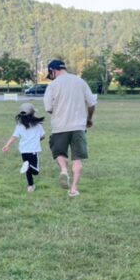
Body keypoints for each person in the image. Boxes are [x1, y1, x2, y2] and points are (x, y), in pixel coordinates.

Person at [43, 59, 96, 197]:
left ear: (53, 71)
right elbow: (91, 103)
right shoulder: (80, 82)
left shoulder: (53, 85)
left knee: (59, 153)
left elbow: (48, 108)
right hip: (78, 126)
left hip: (59, 126)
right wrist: (89, 118)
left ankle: (64, 170)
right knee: (77, 158)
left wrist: (60, 111)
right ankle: (73, 189)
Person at [1, 101, 45, 193]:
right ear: (33, 113)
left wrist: (7, 145)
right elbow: (43, 136)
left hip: (23, 151)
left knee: (27, 170)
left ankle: (30, 185)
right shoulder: (38, 126)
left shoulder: (19, 126)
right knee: (35, 171)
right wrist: (37, 139)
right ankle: (29, 175)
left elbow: (14, 137)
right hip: (33, 150)